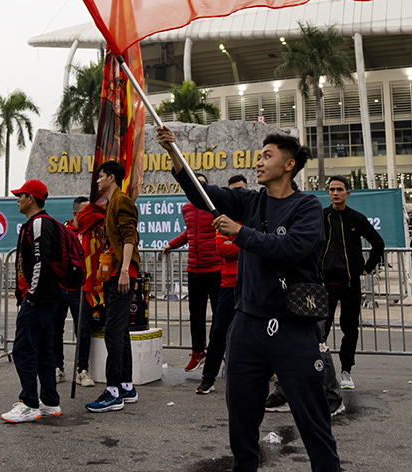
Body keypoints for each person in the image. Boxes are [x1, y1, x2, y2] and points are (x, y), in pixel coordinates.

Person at [160, 126, 342, 472]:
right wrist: (173, 153)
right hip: (247, 324)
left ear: (289, 165)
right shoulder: (249, 200)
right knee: (241, 417)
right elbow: (202, 194)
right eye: (259, 156)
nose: (259, 162)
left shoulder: (307, 207)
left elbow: (291, 249)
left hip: (293, 326)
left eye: (267, 156)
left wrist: (241, 233)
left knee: (313, 420)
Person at [2, 179, 64, 423]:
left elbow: (41, 262)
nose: (18, 199)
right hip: (48, 298)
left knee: (23, 350)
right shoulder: (38, 223)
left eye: (21, 195)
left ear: (31, 199)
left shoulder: (39, 224)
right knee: (43, 352)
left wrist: (31, 296)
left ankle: (29, 403)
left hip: (40, 299)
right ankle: (50, 402)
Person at [85, 159, 140, 412]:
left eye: (101, 175)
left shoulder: (122, 200)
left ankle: (113, 391)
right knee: (120, 331)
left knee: (112, 333)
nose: (98, 180)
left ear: (112, 178)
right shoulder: (111, 202)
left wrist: (126, 270)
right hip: (116, 273)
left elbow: (131, 236)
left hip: (122, 273)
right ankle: (126, 386)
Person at [320, 175, 384, 389]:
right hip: (325, 284)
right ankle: (319, 370)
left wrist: (367, 268)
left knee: (350, 329)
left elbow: (378, 243)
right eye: (332, 189)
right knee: (321, 329)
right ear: (328, 193)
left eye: (339, 189)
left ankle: (346, 372)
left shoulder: (357, 218)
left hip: (350, 284)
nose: (335, 193)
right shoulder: (321, 217)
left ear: (348, 193)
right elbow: (309, 245)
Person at [162, 172, 223, 372]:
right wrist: (171, 244)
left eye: (203, 185)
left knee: (219, 315)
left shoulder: (216, 208)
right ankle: (198, 352)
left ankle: (217, 352)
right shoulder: (187, 208)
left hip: (215, 268)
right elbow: (189, 233)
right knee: (195, 314)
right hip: (194, 269)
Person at [196, 174, 246, 395]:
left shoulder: (253, 217)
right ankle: (209, 377)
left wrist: (239, 240)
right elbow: (221, 249)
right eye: (234, 190)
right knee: (219, 331)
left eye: (242, 190)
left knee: (260, 332)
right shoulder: (223, 220)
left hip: (251, 284)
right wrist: (249, 243)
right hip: (228, 284)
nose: (239, 194)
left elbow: (263, 246)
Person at [53, 196, 101, 387]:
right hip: (61, 288)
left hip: (82, 290)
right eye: (85, 212)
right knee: (56, 330)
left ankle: (82, 370)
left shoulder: (94, 232)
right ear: (75, 214)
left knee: (82, 330)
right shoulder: (64, 232)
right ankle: (58, 368)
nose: (90, 216)